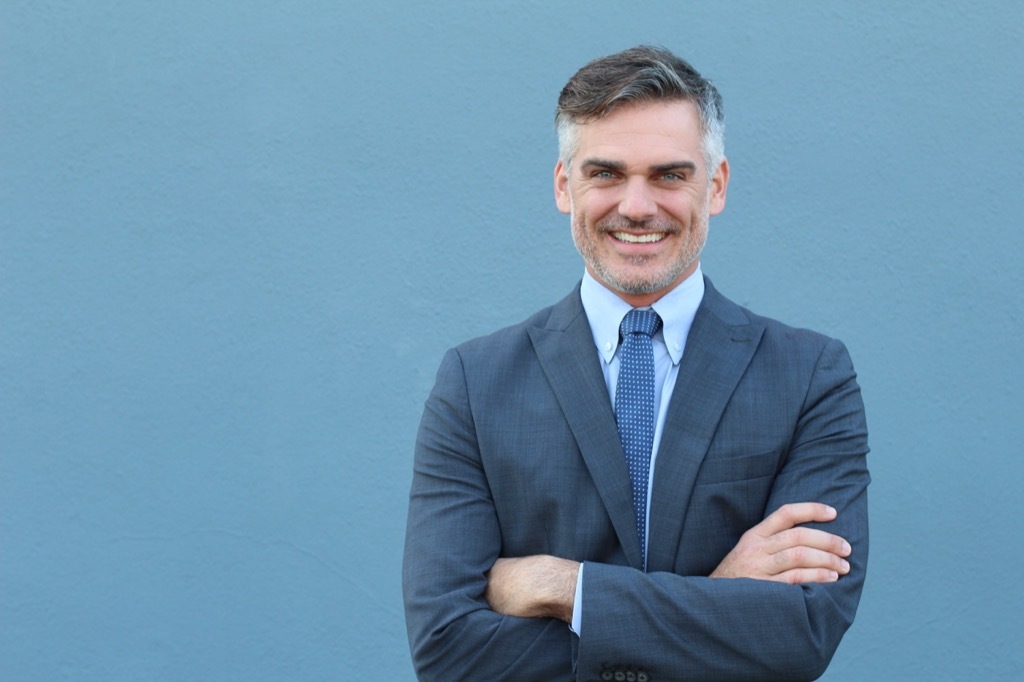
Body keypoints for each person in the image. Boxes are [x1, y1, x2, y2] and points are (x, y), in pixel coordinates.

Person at [403, 45, 870, 681]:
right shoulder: (475, 384)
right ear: (565, 186)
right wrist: (717, 594)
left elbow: (801, 633)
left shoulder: (810, 376)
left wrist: (561, 585)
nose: (638, 206)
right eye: (606, 174)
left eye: (670, 175)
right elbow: (449, 651)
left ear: (717, 185)